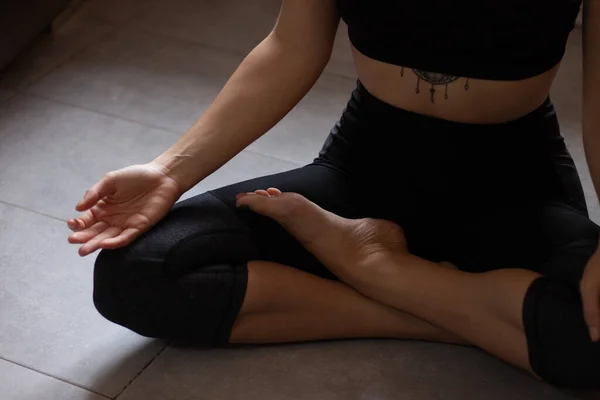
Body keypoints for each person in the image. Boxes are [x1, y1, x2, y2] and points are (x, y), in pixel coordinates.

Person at [67, 0, 600, 389]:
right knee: (134, 274)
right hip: (363, 170)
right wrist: (168, 173)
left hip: (517, 185)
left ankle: (378, 270)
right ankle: (455, 310)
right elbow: (290, 47)